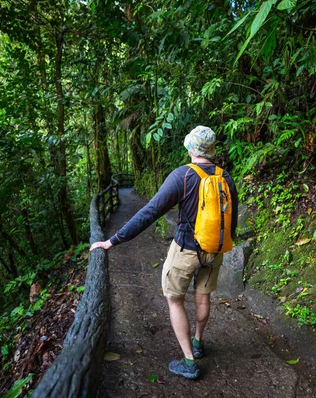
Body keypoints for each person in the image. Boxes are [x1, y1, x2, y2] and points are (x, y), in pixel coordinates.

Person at [90, 125, 238, 380]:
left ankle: (189, 361)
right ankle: (198, 342)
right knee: (203, 298)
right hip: (214, 251)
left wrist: (113, 241)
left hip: (185, 251)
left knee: (175, 300)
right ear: (211, 150)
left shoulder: (183, 175)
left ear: (191, 148)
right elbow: (231, 220)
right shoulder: (226, 178)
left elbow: (150, 212)